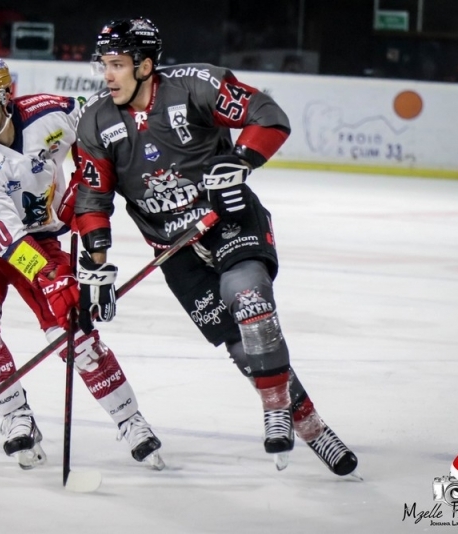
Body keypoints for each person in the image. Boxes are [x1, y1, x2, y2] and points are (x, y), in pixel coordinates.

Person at [73, 18, 358, 476]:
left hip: (226, 218)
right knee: (241, 348)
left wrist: (239, 162)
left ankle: (275, 411)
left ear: (145, 66)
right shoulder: (97, 121)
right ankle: (313, 429)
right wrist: (96, 267)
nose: (107, 76)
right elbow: (92, 198)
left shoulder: (196, 86)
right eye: (104, 65)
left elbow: (268, 116)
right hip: (174, 248)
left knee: (249, 298)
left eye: (117, 65)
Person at [0, 55, 164, 470]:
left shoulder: (50, 112)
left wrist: (86, 174)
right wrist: (51, 277)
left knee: (76, 335)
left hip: (41, 236)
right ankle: (15, 416)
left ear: (6, 96)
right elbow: (8, 244)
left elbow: (100, 118)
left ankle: (131, 421)